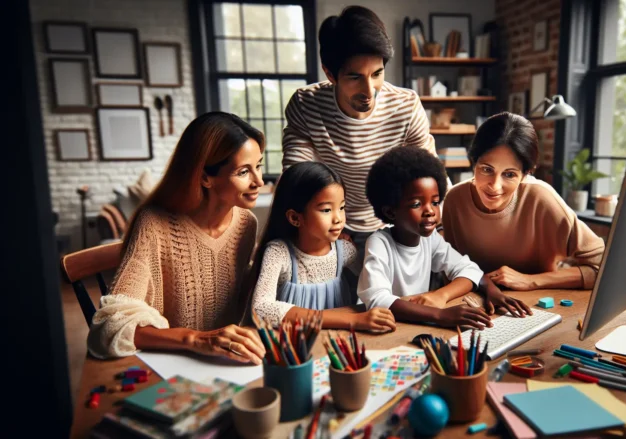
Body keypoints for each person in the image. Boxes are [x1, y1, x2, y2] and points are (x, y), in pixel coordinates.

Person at [87, 112, 267, 364]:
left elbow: (236, 298)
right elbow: (108, 327)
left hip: (225, 361)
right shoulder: (153, 224)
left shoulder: (247, 224)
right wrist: (195, 340)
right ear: (205, 177)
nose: (259, 181)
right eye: (243, 171)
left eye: (258, 165)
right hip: (169, 363)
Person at [282, 5, 436, 270]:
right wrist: (331, 225)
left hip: (395, 224)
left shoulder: (406, 105)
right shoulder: (305, 104)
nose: (369, 90)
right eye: (355, 77)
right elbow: (298, 177)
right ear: (330, 73)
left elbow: (428, 175)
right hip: (334, 227)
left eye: (377, 74)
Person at [358, 147, 530, 328]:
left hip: (417, 326)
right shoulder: (379, 243)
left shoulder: (429, 239)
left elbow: (469, 269)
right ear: (390, 211)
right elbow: (378, 300)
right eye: (417, 204)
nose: (430, 211)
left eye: (434, 202)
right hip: (389, 328)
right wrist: (439, 315)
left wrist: (489, 289)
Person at [442, 112, 605, 291]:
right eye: (487, 169)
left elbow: (602, 269)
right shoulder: (454, 201)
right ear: (473, 163)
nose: (495, 186)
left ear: (526, 174)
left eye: (509, 174)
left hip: (538, 308)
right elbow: (450, 271)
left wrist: (531, 281)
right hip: (476, 307)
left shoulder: (542, 199)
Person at [250, 161, 396, 332]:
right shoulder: (279, 253)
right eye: (326, 210)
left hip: (339, 342)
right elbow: (261, 308)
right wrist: (353, 320)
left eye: (341, 207)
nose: (338, 218)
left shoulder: (346, 251)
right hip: (296, 346)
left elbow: (377, 285)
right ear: (295, 218)